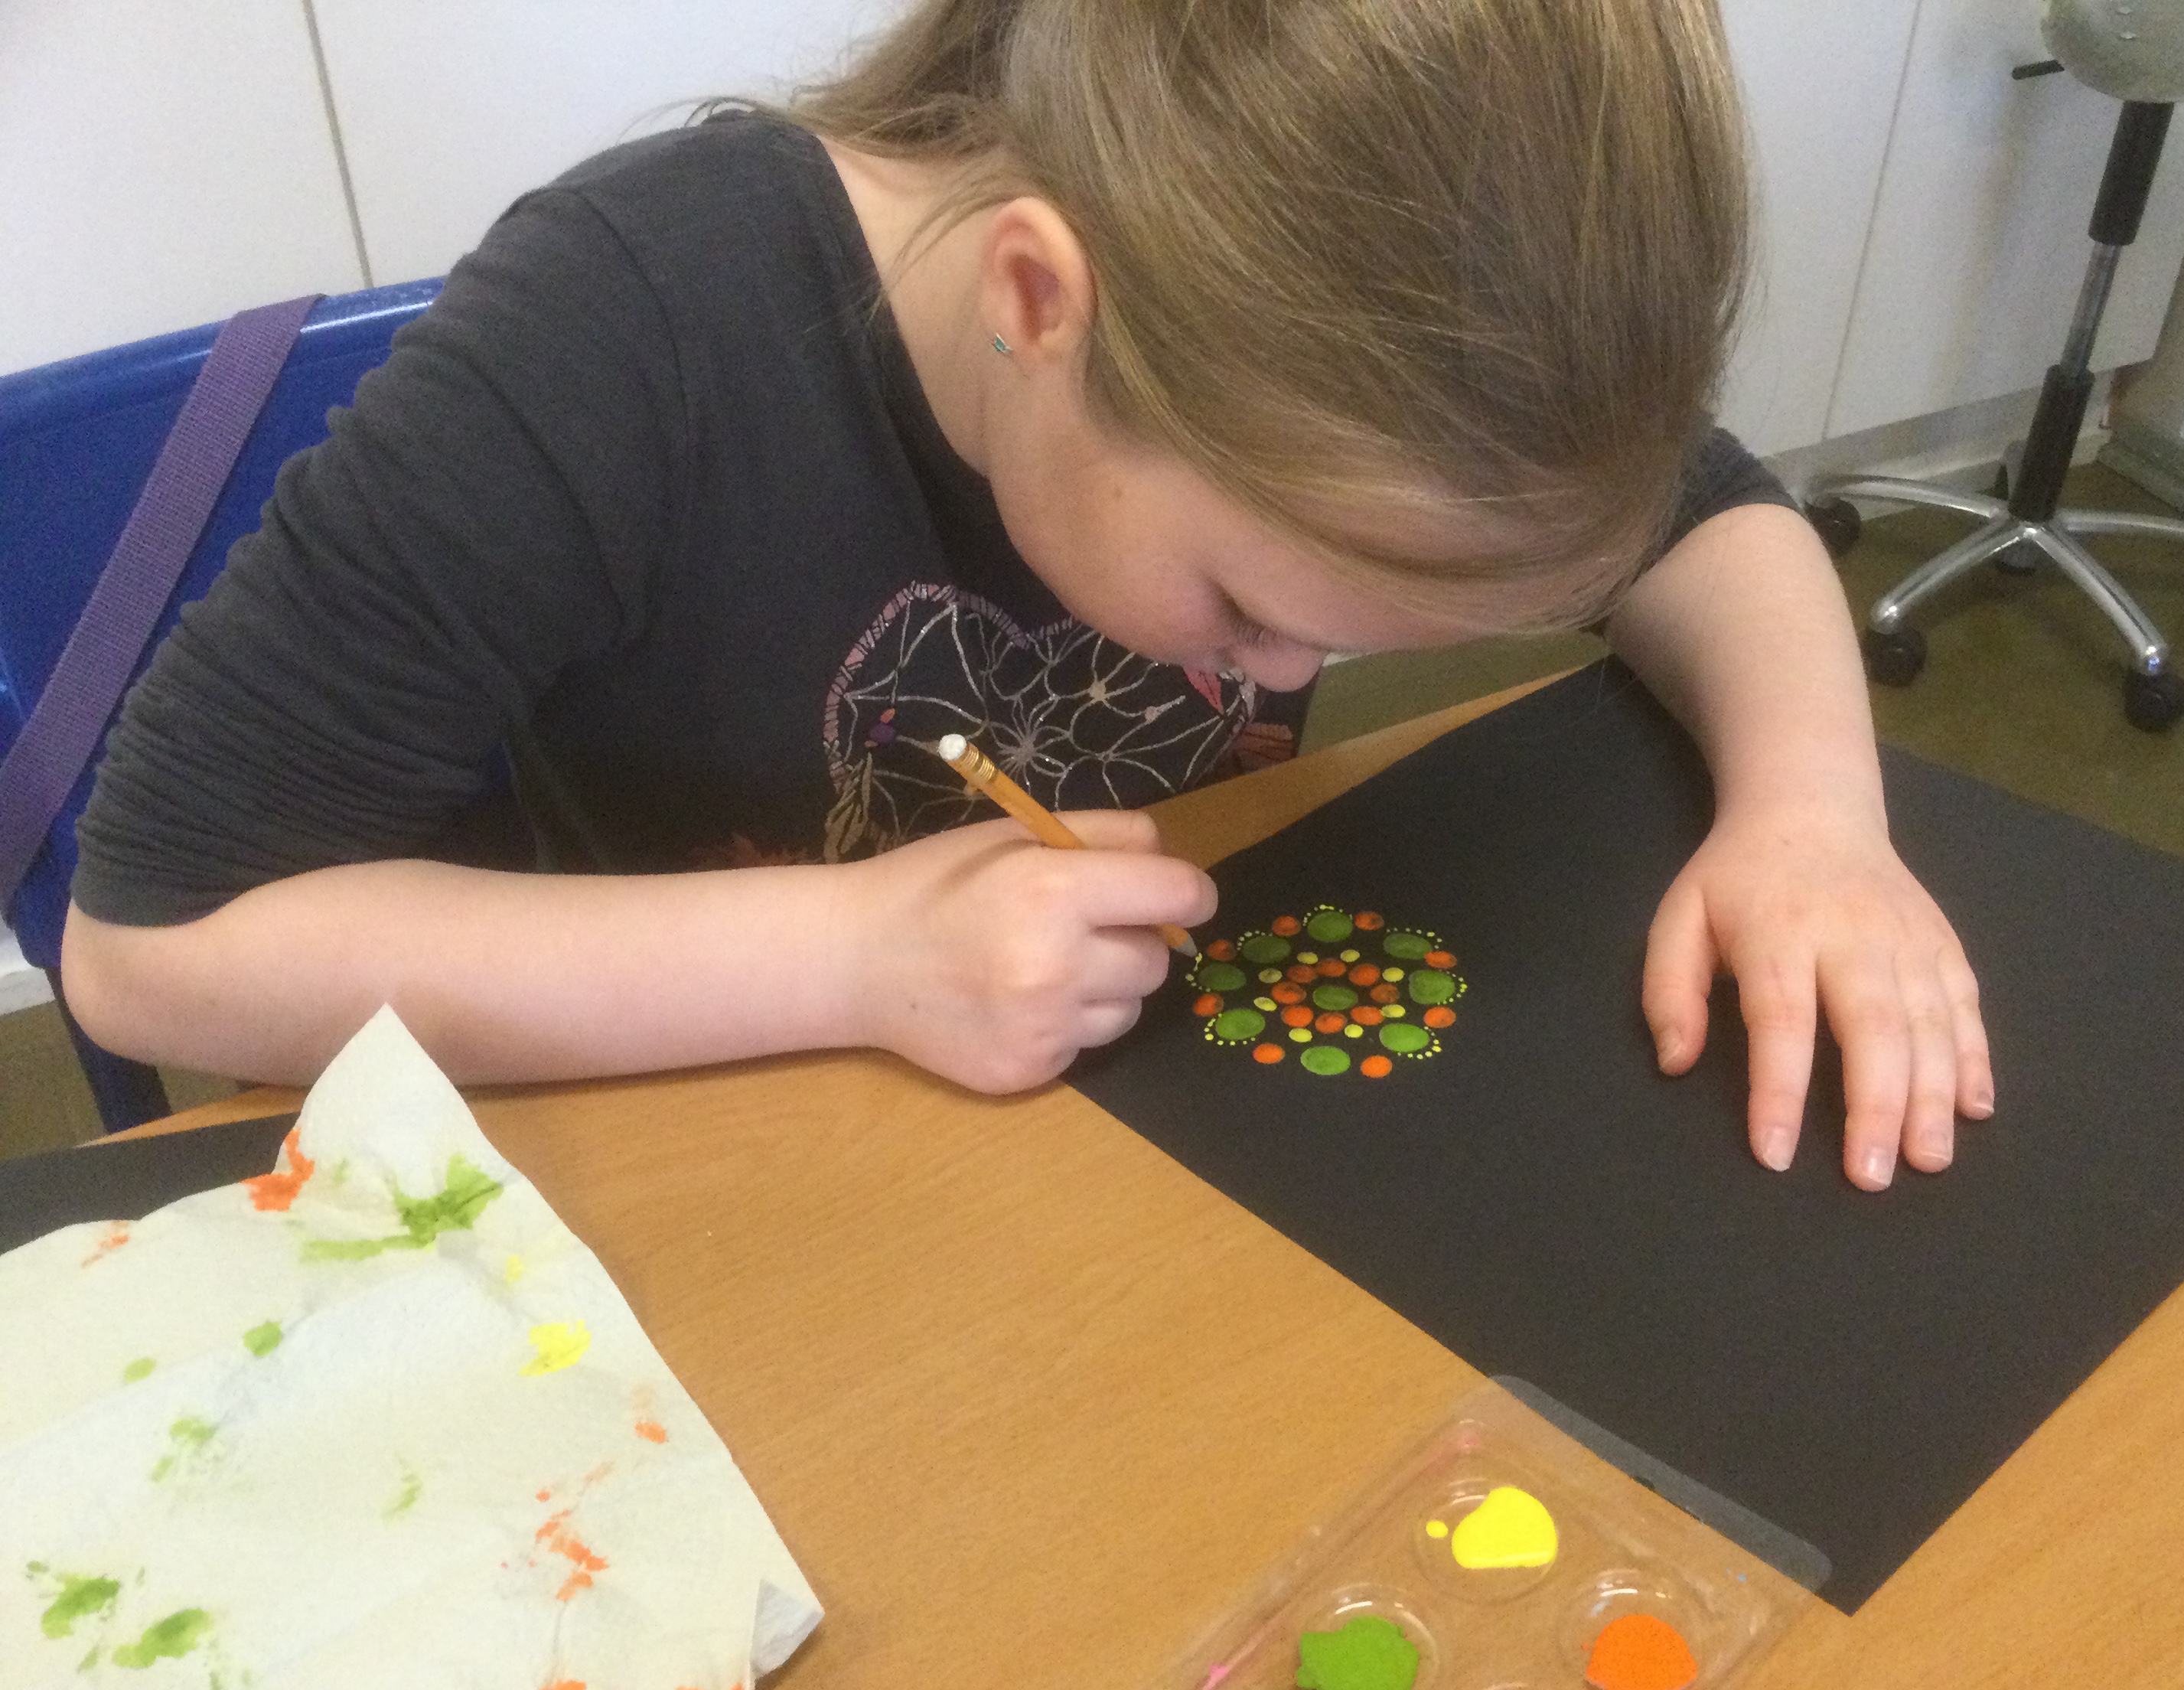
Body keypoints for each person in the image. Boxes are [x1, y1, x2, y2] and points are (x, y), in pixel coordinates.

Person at [60, 0, 1990, 1191]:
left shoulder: (1365, 374)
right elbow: (150, 948)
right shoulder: (631, 332)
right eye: (1248, 608)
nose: (1291, 670)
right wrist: (852, 956)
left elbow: (1709, 524)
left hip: (1102, 1181)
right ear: (1038, 305)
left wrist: (1815, 817)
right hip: (703, 1168)